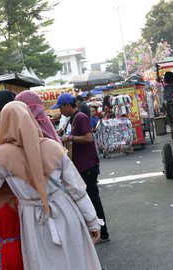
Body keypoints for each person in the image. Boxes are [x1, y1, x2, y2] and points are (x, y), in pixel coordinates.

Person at [0, 101, 102, 270]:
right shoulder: (53, 147)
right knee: (75, 262)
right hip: (67, 213)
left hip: (34, 221)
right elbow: (76, 189)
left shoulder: (1, 156)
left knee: (45, 264)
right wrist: (92, 221)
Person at [52, 93, 110, 243]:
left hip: (88, 165)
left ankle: (102, 232)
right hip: (83, 165)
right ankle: (98, 231)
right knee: (90, 199)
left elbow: (89, 138)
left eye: (61, 108)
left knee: (92, 199)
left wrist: (70, 138)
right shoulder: (75, 119)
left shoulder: (81, 117)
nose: (60, 111)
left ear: (66, 106)